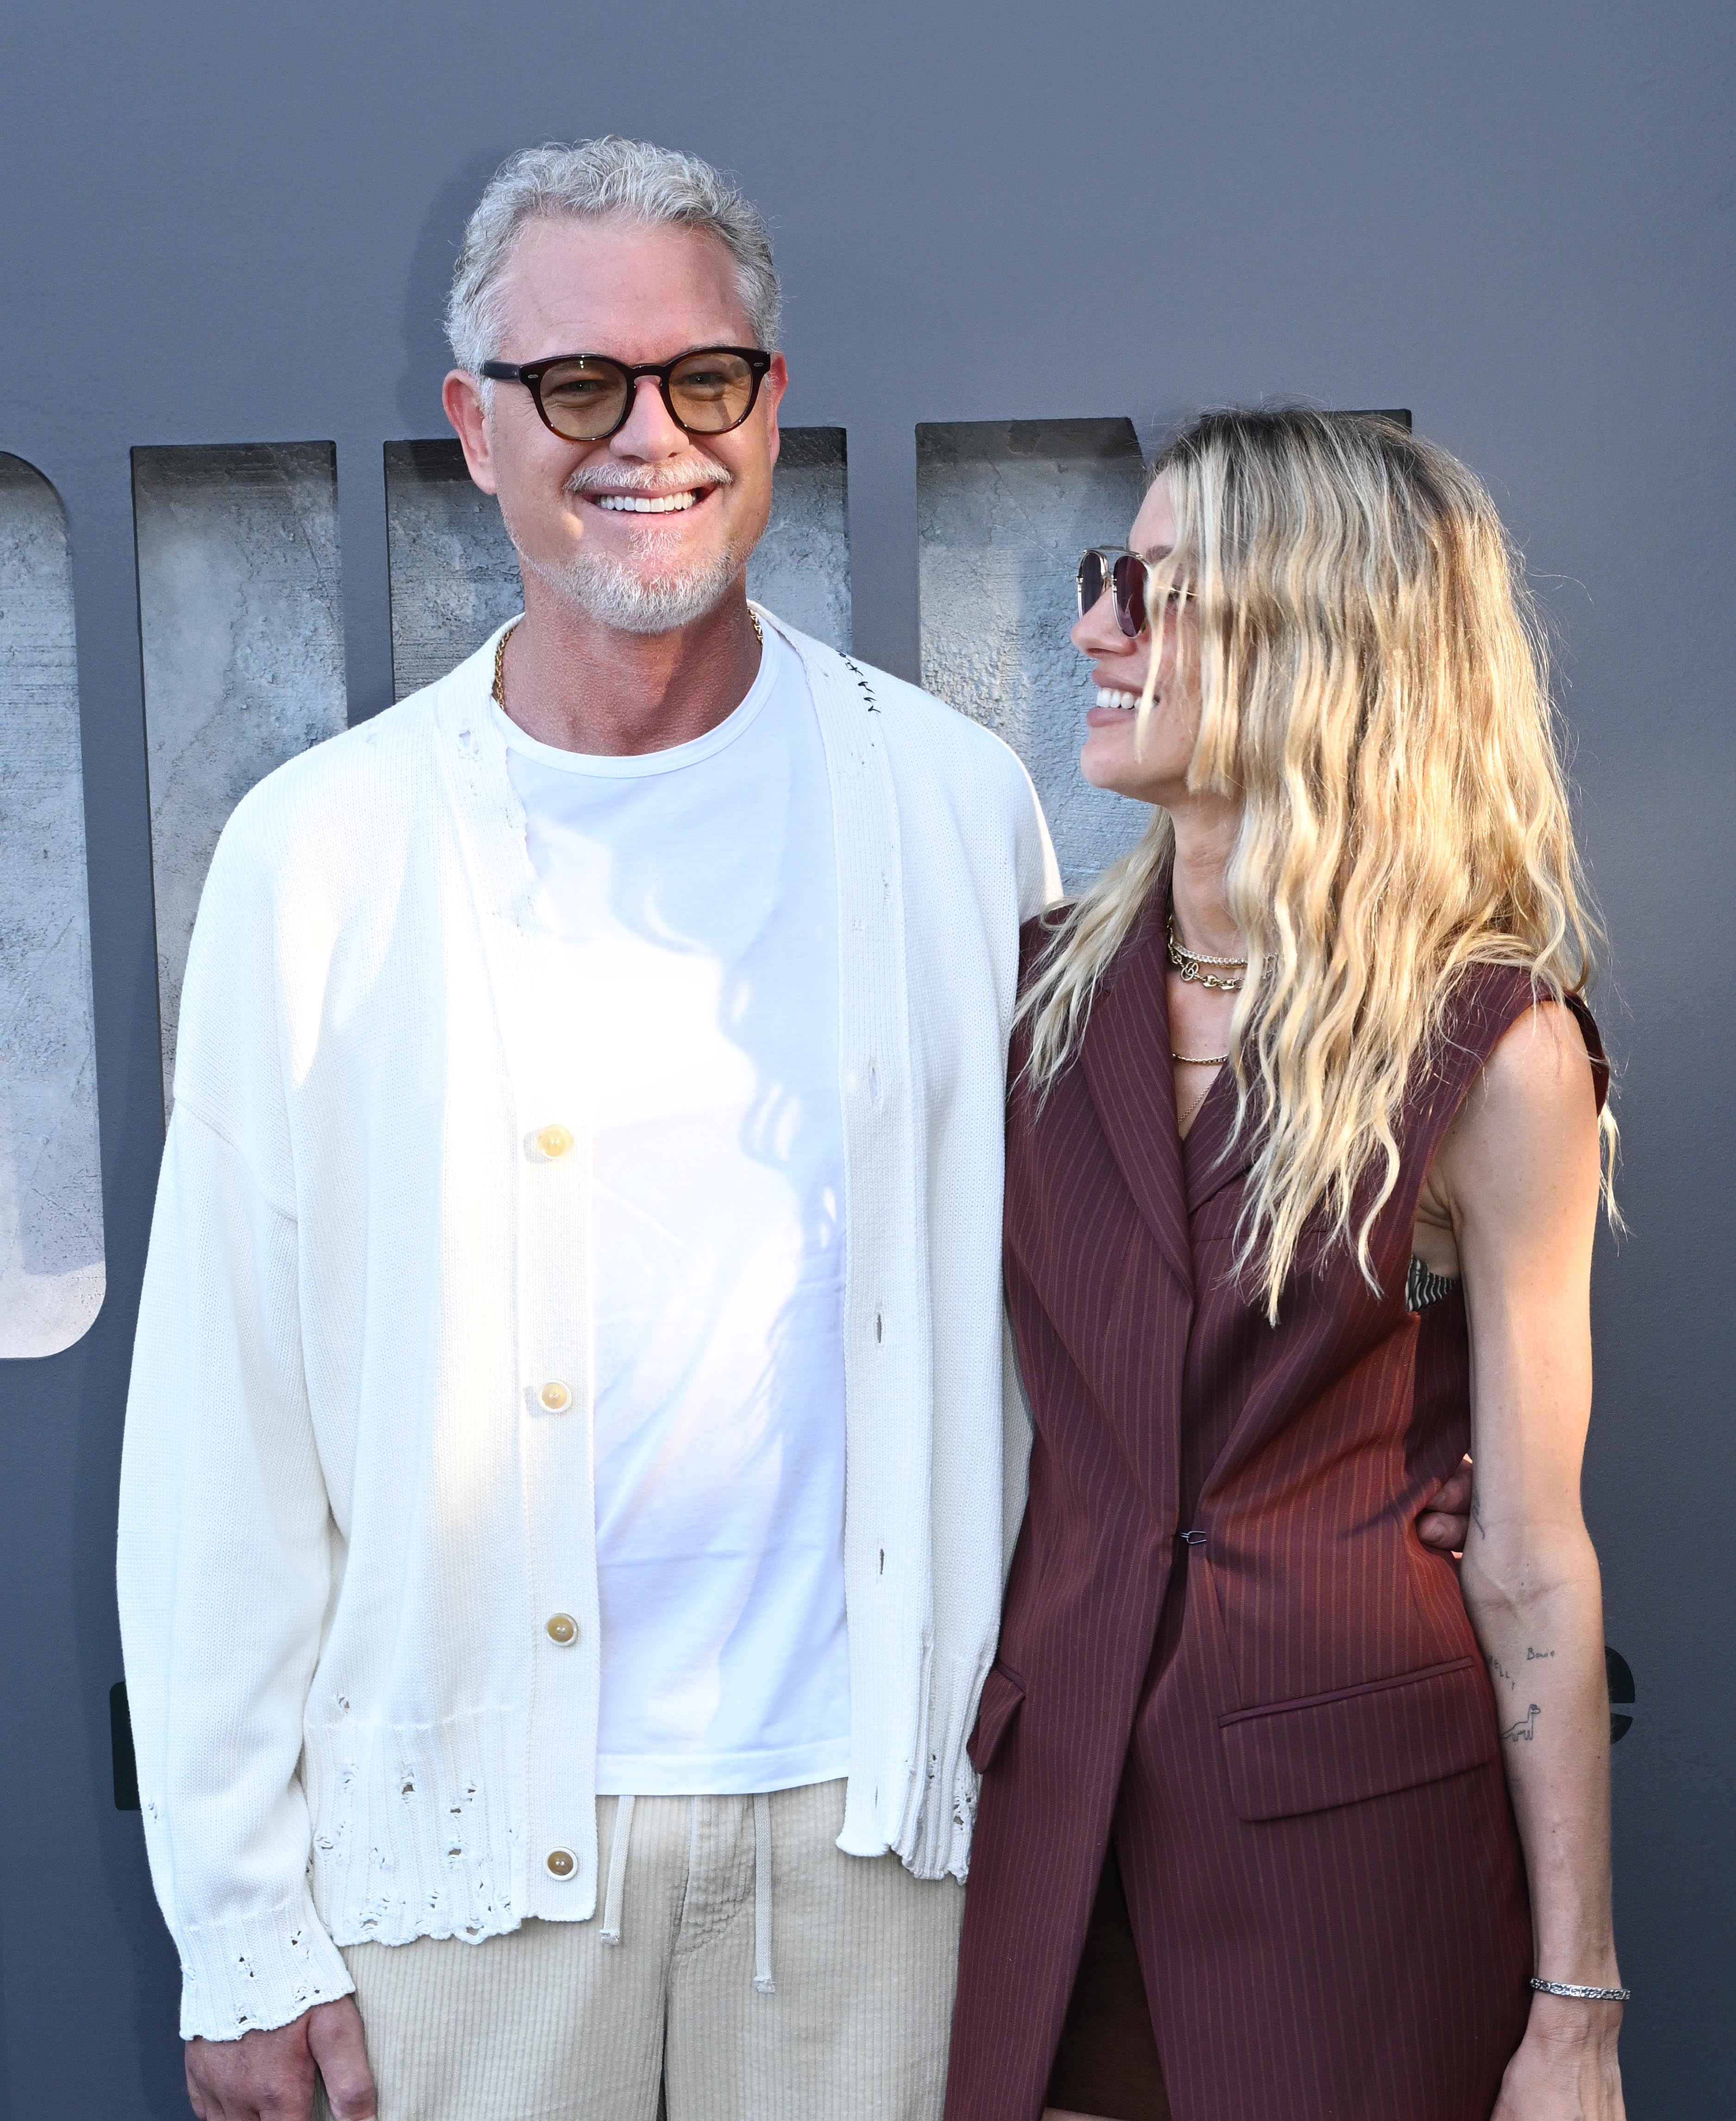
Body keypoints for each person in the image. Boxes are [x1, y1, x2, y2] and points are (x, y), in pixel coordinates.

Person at [118, 142, 1473, 2121]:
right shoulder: (318, 855)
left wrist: (1398, 1475)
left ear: (769, 404)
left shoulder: (946, 806)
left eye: (705, 380)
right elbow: (221, 1426)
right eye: (577, 386)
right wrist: (240, 1929)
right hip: (459, 1870)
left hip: (884, 1854)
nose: (646, 436)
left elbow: (1105, 1288)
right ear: (474, 432)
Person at [945, 409, 1624, 2121]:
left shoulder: (1493, 1047)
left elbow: (1535, 1556)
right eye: (1113, 580)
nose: (1095, 629)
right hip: (1056, 1829)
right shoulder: (1033, 998)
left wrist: (1577, 2013)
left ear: (1326, 642)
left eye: (1162, 595)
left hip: (1357, 1869)